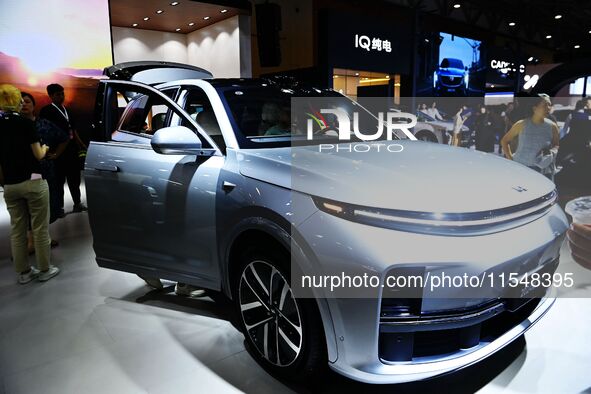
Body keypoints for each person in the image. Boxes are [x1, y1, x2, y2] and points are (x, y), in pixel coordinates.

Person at [0, 84, 60, 283]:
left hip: (10, 185)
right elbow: (38, 154)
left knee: (17, 230)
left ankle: (24, 273)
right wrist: (45, 147)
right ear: (16, 100)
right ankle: (45, 269)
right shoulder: (25, 124)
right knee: (39, 227)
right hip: (33, 180)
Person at [39, 83, 87, 216]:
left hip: (71, 150)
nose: (61, 96)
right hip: (56, 151)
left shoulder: (67, 110)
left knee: (74, 178)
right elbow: (43, 132)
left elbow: (73, 129)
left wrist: (81, 144)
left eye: (62, 93)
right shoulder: (46, 111)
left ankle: (77, 203)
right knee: (58, 181)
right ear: (51, 96)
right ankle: (59, 208)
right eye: (58, 94)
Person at [500, 94, 560, 179]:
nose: (548, 108)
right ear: (534, 108)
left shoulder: (552, 126)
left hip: (543, 170)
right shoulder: (522, 124)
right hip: (521, 168)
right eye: (544, 105)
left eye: (549, 105)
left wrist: (551, 153)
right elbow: (504, 141)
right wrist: (511, 159)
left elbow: (556, 144)